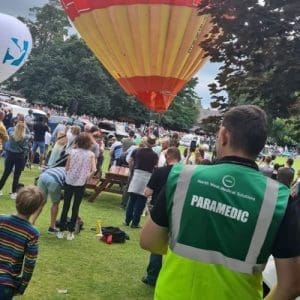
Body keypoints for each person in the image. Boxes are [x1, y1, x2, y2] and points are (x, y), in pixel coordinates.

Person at [140, 105, 300, 299]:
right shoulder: (279, 199)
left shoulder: (183, 177)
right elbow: (291, 284)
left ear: (224, 135)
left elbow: (149, 241)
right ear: (260, 145)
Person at [142, 147, 181, 287]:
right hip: (178, 212)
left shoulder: (159, 172)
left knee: (156, 246)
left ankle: (152, 276)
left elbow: (147, 192)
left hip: (159, 211)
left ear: (169, 156)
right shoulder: (185, 174)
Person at [0, 186, 44, 299]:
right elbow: (30, 263)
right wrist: (22, 285)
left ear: (16, 201)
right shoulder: (32, 232)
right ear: (36, 209)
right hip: (5, 285)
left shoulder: (1, 220)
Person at [57, 133, 96, 240]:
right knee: (75, 207)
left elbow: (67, 167)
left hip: (69, 181)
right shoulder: (91, 154)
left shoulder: (72, 152)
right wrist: (87, 176)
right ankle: (70, 232)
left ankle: (61, 230)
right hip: (81, 183)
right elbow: (94, 170)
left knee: (66, 206)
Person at [125, 135, 158, 228]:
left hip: (136, 174)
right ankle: (135, 223)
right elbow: (155, 167)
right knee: (141, 201)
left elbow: (130, 161)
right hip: (147, 177)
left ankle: (127, 220)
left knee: (132, 199)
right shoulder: (155, 155)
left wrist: (131, 171)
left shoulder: (137, 151)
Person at [0, 122, 31, 199]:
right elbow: (30, 134)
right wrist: (26, 128)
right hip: (20, 156)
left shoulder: (11, 134)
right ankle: (13, 193)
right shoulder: (25, 137)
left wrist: (16, 127)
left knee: (6, 173)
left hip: (10, 155)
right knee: (17, 175)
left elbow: (10, 129)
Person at [32, 167, 66, 234]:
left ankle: (31, 223)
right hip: (54, 180)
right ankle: (52, 228)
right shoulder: (72, 174)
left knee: (40, 202)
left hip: (43, 176)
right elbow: (66, 187)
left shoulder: (62, 168)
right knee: (55, 203)